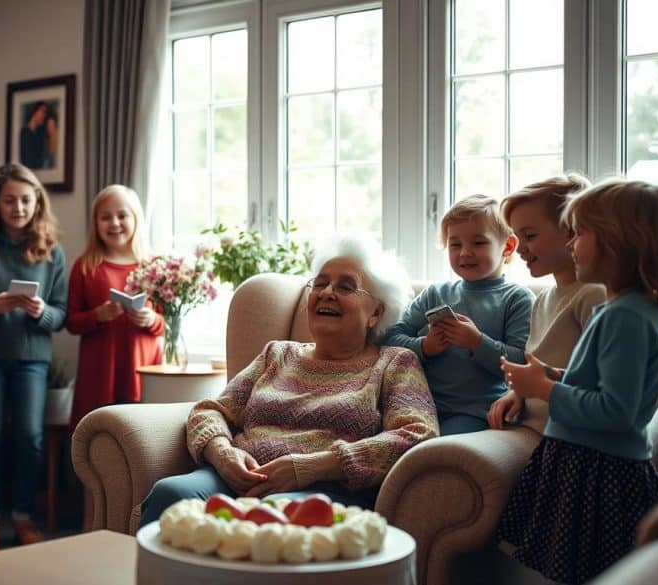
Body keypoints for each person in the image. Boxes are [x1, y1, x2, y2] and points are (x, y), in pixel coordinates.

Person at [138, 235, 438, 526]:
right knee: (170, 495)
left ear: (376, 313)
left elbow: (417, 434)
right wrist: (224, 454)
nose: (327, 292)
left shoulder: (394, 363)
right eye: (319, 284)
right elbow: (210, 410)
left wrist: (310, 467)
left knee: (276, 515)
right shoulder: (277, 354)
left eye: (346, 287)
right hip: (237, 478)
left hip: (323, 491)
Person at [498, 178, 658, 584]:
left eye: (580, 233)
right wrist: (552, 375)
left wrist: (545, 389)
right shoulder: (619, 310)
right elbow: (600, 383)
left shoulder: (627, 317)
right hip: (583, 462)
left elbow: (616, 412)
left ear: (619, 242)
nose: (570, 243)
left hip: (600, 474)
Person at [0, 163, 68, 552]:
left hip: (31, 358)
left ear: (37, 201)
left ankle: (23, 516)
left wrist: (41, 312)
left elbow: (61, 315)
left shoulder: (52, 250)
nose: (18, 208)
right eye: (9, 200)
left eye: (25, 200)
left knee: (29, 437)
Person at [383, 194, 534, 435]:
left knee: (429, 448)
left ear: (507, 246)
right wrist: (425, 347)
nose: (465, 252)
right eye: (455, 245)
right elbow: (390, 337)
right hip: (416, 403)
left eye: (478, 243)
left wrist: (477, 342)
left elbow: (521, 364)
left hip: (474, 413)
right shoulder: (435, 293)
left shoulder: (517, 299)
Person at [488, 174, 606, 432]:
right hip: (532, 424)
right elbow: (538, 365)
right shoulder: (542, 299)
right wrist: (517, 393)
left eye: (530, 236)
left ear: (572, 232)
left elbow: (600, 380)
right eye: (517, 237)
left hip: (569, 430)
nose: (520, 248)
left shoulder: (593, 295)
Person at [66, 185, 163, 433]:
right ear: (95, 223)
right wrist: (97, 316)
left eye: (122, 215)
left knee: (140, 438)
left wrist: (151, 319)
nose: (114, 223)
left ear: (136, 219)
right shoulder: (85, 266)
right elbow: (72, 322)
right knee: (98, 438)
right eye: (105, 217)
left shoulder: (156, 266)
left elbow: (169, 325)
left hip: (142, 369)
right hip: (99, 372)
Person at [19, 101, 48, 169]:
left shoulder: (40, 134)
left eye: (45, 113)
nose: (44, 116)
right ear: (35, 112)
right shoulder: (24, 132)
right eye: (42, 112)